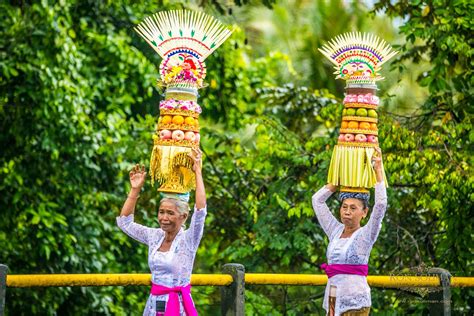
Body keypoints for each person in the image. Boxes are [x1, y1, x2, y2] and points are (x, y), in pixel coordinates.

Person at [117, 148, 206, 316]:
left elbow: (201, 211)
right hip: (153, 306)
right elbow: (125, 223)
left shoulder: (188, 240)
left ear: (184, 216)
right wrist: (135, 190)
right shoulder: (155, 236)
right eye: (161, 212)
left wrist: (198, 173)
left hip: (178, 307)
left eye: (170, 213)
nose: (164, 217)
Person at [312, 147, 387, 316]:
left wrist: (378, 170)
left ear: (364, 212)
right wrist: (337, 182)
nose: (347, 211)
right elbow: (317, 201)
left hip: (355, 302)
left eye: (353, 208)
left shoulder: (366, 235)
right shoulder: (335, 230)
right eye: (344, 207)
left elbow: (381, 205)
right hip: (332, 299)